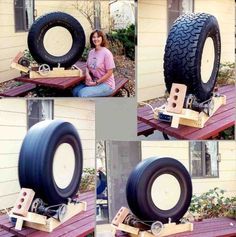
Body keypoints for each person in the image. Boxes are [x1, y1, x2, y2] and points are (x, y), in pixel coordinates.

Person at [72, 30, 116, 97]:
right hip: (94, 81)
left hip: (107, 85)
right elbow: (87, 66)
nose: (96, 39)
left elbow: (110, 72)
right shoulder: (91, 52)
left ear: (102, 38)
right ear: (91, 39)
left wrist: (96, 83)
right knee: (75, 91)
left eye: (98, 37)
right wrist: (87, 74)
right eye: (94, 37)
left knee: (82, 94)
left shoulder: (106, 53)